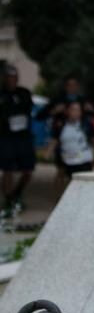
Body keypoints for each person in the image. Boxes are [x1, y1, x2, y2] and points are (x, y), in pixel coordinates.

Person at [43, 98, 94, 199]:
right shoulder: (60, 125)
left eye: (78, 110)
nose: (76, 113)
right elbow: (54, 140)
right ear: (68, 111)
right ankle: (61, 200)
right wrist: (48, 153)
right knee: (67, 182)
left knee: (84, 183)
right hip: (68, 159)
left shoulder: (86, 124)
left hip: (84, 160)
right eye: (73, 110)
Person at [1, 63, 36, 215]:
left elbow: (28, 110)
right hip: (6, 137)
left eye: (15, 77)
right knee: (7, 168)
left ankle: (17, 193)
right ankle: (8, 198)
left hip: (24, 137)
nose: (12, 80)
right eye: (9, 77)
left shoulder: (24, 93)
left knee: (28, 169)